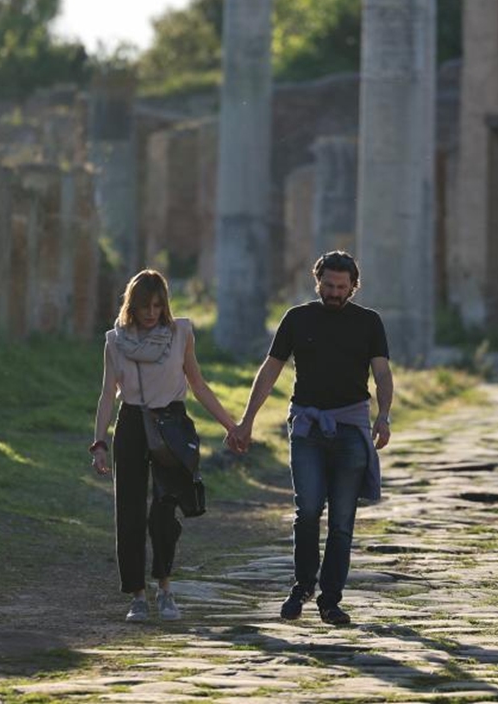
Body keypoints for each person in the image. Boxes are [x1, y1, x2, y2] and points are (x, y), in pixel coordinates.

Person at [228, 251, 394, 625]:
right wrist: (247, 420)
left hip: (351, 428)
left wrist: (383, 415)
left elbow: (382, 374)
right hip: (306, 428)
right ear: (317, 282)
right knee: (307, 512)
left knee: (342, 521)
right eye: (328, 286)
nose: (335, 293)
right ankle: (302, 586)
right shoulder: (297, 318)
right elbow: (270, 371)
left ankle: (330, 600)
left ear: (354, 286)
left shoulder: (369, 323)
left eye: (342, 287)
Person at [91, 270, 239, 623]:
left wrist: (232, 426)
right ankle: (137, 596)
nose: (152, 312)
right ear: (132, 304)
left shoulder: (181, 333)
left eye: (158, 305)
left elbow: (198, 384)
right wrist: (99, 442)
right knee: (128, 512)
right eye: (145, 305)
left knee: (164, 508)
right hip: (131, 424)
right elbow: (107, 395)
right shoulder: (115, 340)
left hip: (171, 424)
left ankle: (165, 589)